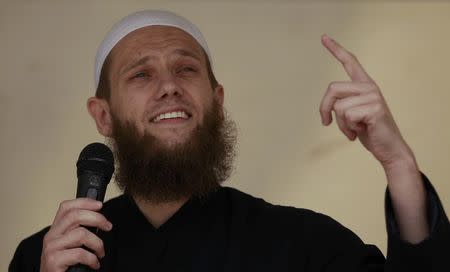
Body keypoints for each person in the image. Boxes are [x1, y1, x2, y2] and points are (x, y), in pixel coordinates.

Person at [9, 10, 449, 272]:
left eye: (186, 69)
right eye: (141, 74)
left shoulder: (302, 245)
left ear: (216, 102)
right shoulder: (47, 258)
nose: (168, 86)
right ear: (103, 115)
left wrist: (399, 165)